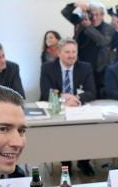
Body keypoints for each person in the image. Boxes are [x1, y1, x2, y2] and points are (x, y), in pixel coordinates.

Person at [39, 38, 97, 176]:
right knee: (62, 130)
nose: (71, 55)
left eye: (74, 52)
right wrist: (63, 98)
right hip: (58, 110)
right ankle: (66, 163)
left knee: (87, 129)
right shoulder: (47, 68)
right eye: (67, 52)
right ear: (59, 53)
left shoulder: (85, 67)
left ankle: (84, 161)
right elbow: (45, 93)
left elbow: (92, 92)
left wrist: (76, 98)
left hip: (78, 109)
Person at [62, 1, 116, 98]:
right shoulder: (82, 23)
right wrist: (75, 5)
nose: (94, 18)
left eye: (97, 15)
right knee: (82, 96)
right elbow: (65, 12)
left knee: (98, 98)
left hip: (99, 71)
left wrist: (89, 27)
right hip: (81, 68)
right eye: (92, 14)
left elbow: (103, 41)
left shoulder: (108, 28)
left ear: (102, 15)